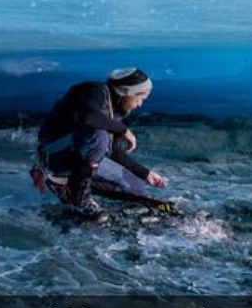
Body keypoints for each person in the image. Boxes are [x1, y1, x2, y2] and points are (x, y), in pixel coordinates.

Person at [30, 67, 167, 217]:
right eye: (140, 98)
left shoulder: (114, 111)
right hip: (55, 154)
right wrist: (123, 130)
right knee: (99, 135)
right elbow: (89, 117)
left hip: (75, 160)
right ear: (127, 93)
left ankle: (74, 185)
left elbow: (112, 151)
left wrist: (144, 173)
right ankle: (77, 195)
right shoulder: (93, 91)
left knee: (135, 186)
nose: (140, 104)